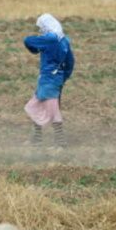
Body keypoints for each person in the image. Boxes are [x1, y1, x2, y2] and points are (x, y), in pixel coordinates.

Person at [24, 13, 74, 148]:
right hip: (57, 79)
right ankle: (37, 139)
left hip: (48, 79)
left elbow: (28, 40)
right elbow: (70, 62)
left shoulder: (50, 38)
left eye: (41, 27)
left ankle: (60, 143)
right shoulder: (64, 40)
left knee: (51, 111)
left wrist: (37, 47)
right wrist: (63, 78)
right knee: (38, 106)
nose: (40, 30)